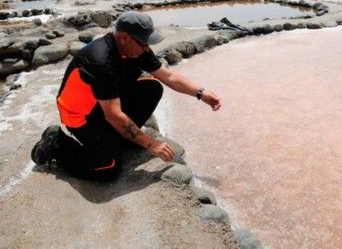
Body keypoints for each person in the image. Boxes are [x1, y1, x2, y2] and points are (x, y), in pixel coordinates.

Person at [31, 11, 221, 180]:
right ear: (124, 38)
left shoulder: (137, 48)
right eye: (143, 43)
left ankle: (122, 138)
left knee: (152, 88)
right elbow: (113, 115)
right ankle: (57, 143)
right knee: (109, 168)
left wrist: (200, 93)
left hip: (102, 103)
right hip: (80, 116)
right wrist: (150, 143)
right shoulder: (101, 60)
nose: (147, 48)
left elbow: (168, 76)